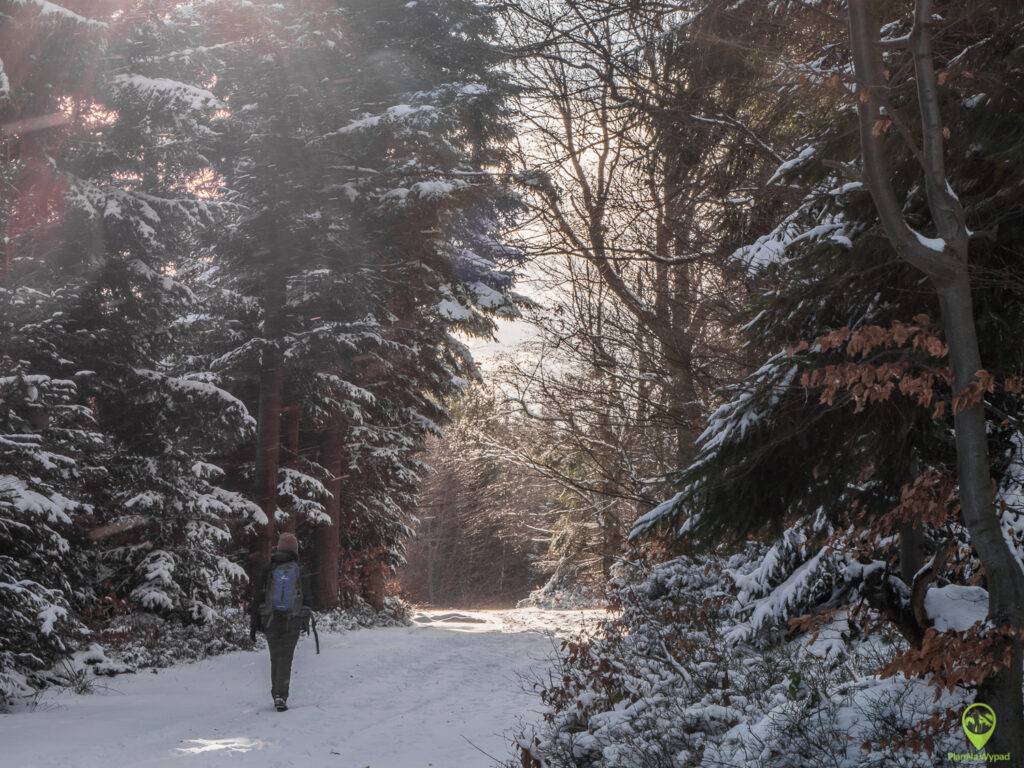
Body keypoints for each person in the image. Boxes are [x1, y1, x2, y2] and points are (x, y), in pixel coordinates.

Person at [249, 532, 314, 711]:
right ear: (295, 549)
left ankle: (276, 693)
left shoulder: (269, 568)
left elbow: (258, 597)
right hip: (291, 620)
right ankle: (280, 695)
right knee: (286, 658)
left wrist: (254, 623)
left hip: (270, 618)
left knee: (275, 658)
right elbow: (308, 598)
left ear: (279, 547)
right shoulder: (300, 569)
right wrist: (304, 618)